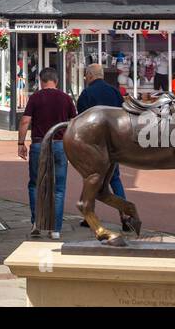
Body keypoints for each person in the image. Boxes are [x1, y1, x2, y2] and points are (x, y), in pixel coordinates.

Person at [18, 67, 76, 238]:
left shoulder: (35, 97)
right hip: (59, 145)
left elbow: (25, 121)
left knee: (35, 184)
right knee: (58, 188)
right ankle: (55, 229)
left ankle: (36, 223)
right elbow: (73, 124)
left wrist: (21, 143)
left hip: (39, 144)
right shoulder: (66, 99)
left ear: (41, 81)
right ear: (56, 81)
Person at [75, 64, 126, 209]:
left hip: (94, 144)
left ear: (90, 75)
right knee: (115, 178)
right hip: (113, 142)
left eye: (86, 75)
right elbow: (123, 116)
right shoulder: (114, 92)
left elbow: (81, 120)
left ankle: (88, 215)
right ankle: (126, 215)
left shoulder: (87, 93)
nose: (86, 78)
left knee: (91, 179)